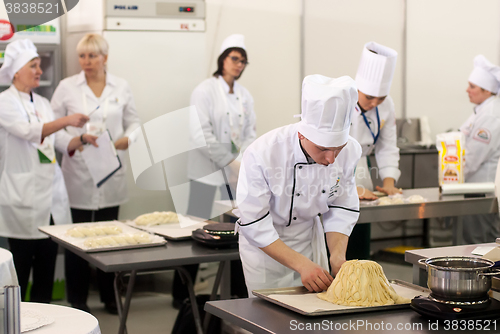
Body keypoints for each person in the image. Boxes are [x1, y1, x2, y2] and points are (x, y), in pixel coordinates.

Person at [234, 75, 361, 294]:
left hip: (309, 241)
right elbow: (254, 222)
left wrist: (338, 257)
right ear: (302, 134)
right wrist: (301, 265)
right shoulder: (262, 153)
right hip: (265, 251)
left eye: (338, 148)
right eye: (323, 149)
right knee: (269, 321)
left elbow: (341, 207)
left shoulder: (350, 150)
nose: (331, 159)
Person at [0, 39, 97, 303]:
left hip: (51, 201)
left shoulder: (42, 103)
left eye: (40, 65)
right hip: (22, 200)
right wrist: (67, 119)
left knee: (46, 269)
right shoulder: (4, 102)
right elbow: (30, 132)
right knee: (19, 272)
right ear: (17, 70)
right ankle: (16, 325)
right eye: (33, 65)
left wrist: (82, 139)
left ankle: (45, 322)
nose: (39, 71)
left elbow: (59, 139)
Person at [51, 34, 141, 314]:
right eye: (82, 56)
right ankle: (77, 299)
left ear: (105, 57)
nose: (86, 62)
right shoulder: (67, 87)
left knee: (111, 239)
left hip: (110, 171)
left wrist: (126, 140)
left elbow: (134, 123)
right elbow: (53, 128)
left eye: (92, 56)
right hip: (78, 172)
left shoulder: (121, 86)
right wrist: (75, 141)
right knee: (77, 238)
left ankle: (110, 296)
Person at [171, 34, 257, 307]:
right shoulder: (205, 90)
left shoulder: (245, 96)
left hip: (236, 175)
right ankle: (181, 294)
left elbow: (250, 134)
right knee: (196, 234)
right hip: (205, 174)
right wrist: (230, 164)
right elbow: (200, 135)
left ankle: (233, 292)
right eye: (234, 58)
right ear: (222, 59)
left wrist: (242, 166)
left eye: (243, 60)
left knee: (236, 233)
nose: (238, 64)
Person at [347, 41, 402, 260]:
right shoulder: (340, 99)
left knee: (360, 237)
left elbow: (388, 145)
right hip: (333, 171)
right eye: (369, 97)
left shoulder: (386, 105)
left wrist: (389, 181)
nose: (374, 103)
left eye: (380, 98)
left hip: (362, 170)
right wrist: (350, 190)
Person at [459, 55, 500, 244]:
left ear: (486, 90)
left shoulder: (490, 116)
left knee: (477, 242)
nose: (467, 90)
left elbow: (473, 157)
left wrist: (452, 177)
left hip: (482, 190)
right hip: (475, 188)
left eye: (472, 86)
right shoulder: (482, 111)